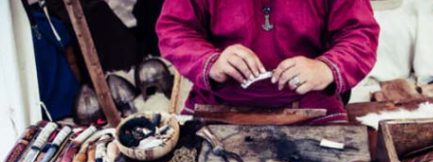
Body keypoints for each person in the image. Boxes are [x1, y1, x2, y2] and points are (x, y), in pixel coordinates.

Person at [156, 0, 379, 124]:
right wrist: (211, 62)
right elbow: (175, 30)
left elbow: (360, 34)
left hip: (310, 106)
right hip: (219, 106)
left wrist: (326, 68)